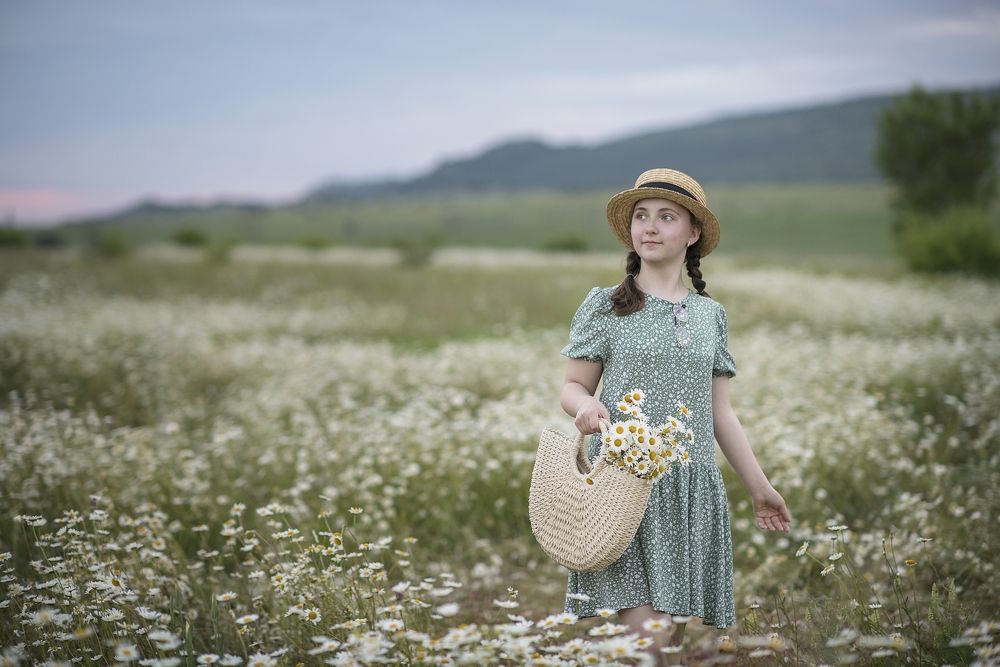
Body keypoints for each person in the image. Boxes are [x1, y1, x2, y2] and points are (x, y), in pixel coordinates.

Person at [559, 168, 792, 664]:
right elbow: (572, 386)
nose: (650, 226)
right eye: (641, 216)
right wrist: (585, 406)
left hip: (689, 490)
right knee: (649, 643)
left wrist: (759, 488)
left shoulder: (711, 315)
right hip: (624, 484)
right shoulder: (606, 306)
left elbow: (720, 413)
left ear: (693, 234)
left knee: (666, 644)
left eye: (666, 217)